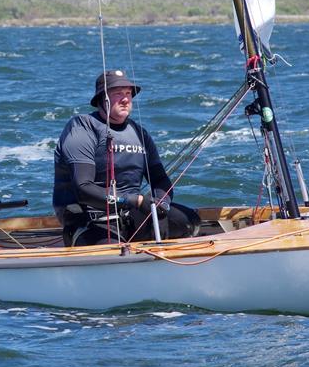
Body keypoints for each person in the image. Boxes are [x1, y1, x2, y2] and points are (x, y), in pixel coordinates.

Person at [53, 70, 199, 246]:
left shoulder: (139, 133)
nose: (125, 99)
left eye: (128, 94)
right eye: (118, 94)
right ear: (102, 99)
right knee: (108, 251)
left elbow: (160, 179)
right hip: (92, 220)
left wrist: (161, 204)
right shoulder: (82, 128)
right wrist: (136, 200)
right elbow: (83, 189)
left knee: (189, 221)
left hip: (129, 215)